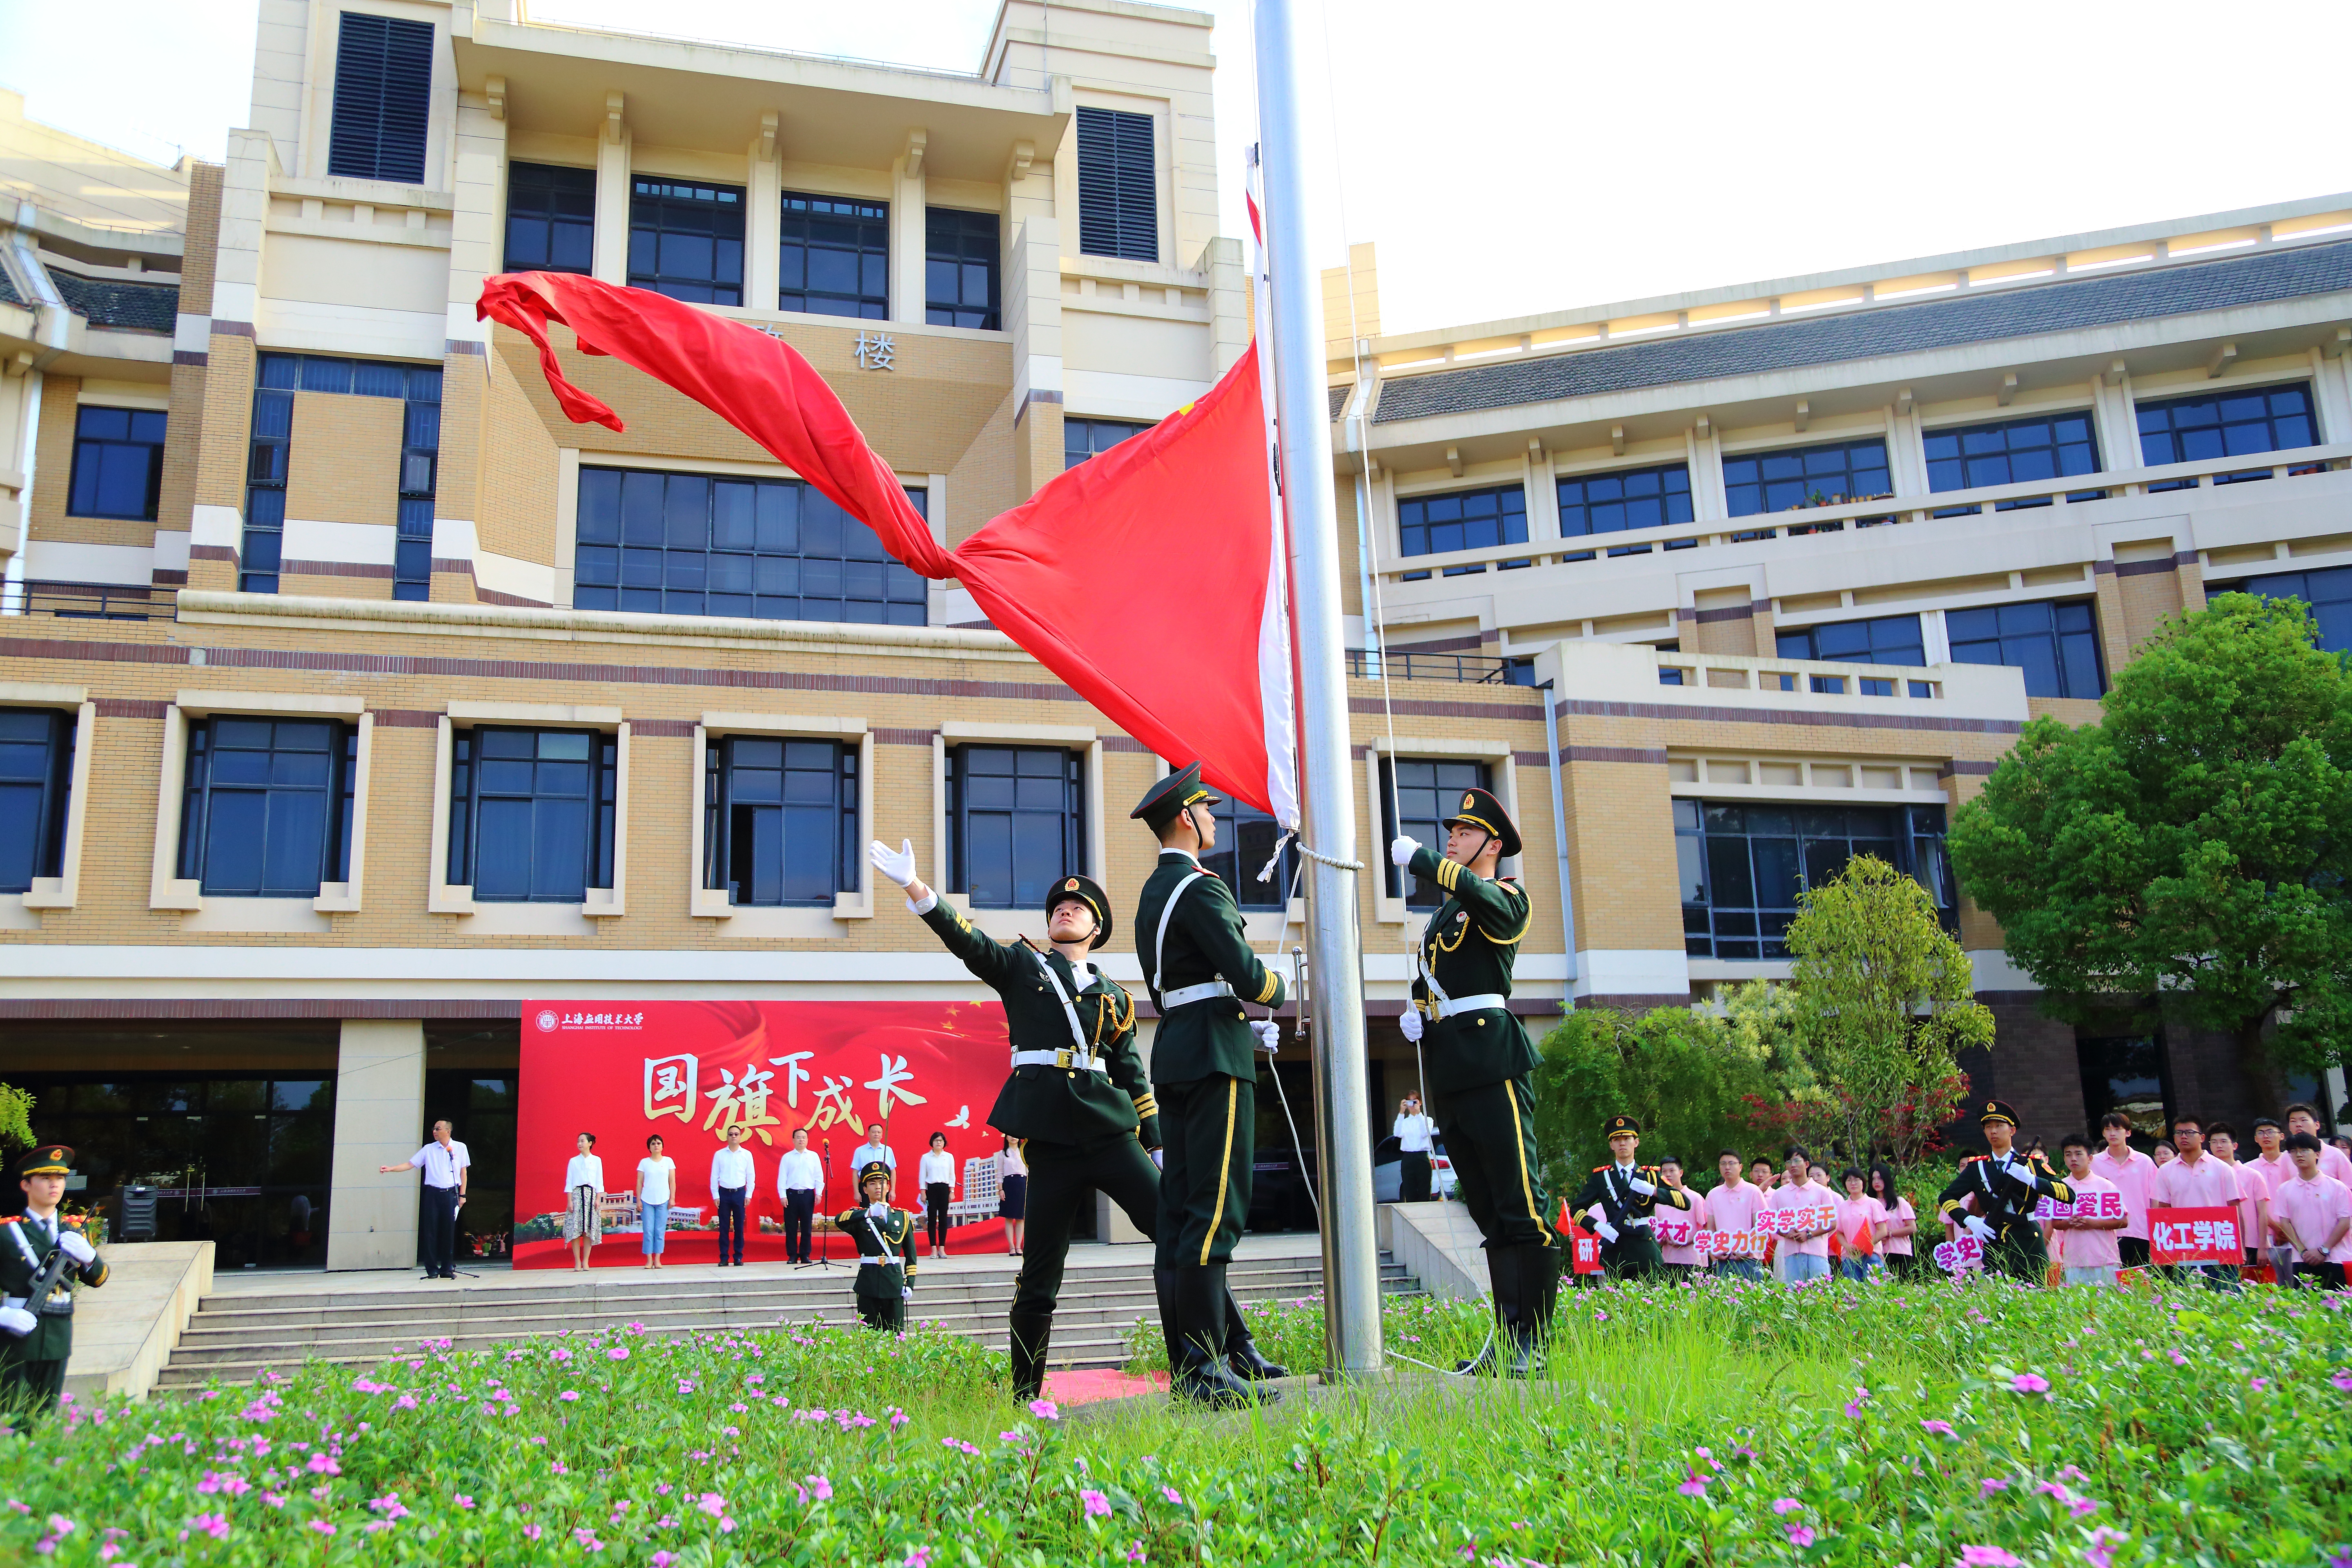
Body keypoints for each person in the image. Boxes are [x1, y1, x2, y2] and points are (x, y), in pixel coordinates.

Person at [876, 828, 1284, 1407]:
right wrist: (918, 889)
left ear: (1096, 929)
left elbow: (1132, 1074)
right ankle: (1025, 1397)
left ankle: (1230, 1350)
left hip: (1110, 1133)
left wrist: (1158, 1142)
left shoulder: (1114, 996)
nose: (1065, 910)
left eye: (1078, 908)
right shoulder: (1022, 967)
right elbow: (969, 943)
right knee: (1040, 1275)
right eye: (1058, 907)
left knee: (1180, 1234)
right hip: (1050, 1140)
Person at [1130, 764, 1291, 1406]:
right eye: (1207, 810)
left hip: (1178, 1048)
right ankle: (1201, 1372)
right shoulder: (1200, 888)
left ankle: (1209, 1357)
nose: (1215, 820)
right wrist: (1281, 989)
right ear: (1185, 820)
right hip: (1215, 1054)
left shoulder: (1154, 890)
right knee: (1214, 1211)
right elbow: (1248, 976)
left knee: (1179, 1218)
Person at [1393, 785, 1556, 1375]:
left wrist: (1423, 862)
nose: (1452, 840)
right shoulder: (1446, 912)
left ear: (1492, 843)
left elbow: (1502, 919)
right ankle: (1508, 1339)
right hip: (1451, 1064)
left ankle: (1532, 1345)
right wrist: (1419, 1010)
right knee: (1487, 1209)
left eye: (1464, 833)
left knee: (1522, 1204)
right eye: (1451, 833)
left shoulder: (1506, 896)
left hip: (1492, 1060)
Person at [0, 1145, 109, 1419]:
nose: (54, 1185)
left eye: (59, 1179)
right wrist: (3, 1315)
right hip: (17, 1338)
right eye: (45, 1179)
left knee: (45, 1417)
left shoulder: (73, 1230)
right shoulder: (7, 1232)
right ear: (26, 1184)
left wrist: (89, 1257)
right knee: (12, 1418)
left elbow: (98, 1279)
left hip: (58, 1337)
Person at [1935, 1100, 2073, 1283]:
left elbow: (2068, 1195)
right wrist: (1969, 1220)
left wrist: (2032, 1180)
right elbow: (1946, 1197)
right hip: (1995, 1241)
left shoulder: (2032, 1163)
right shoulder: (1978, 1167)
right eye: (1988, 1127)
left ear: (2012, 1131)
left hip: (2028, 1242)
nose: (1993, 1131)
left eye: (1999, 1126)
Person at [1570, 1116, 1694, 1286]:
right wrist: (1598, 1226)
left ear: (1636, 1142)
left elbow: (1684, 1202)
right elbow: (1577, 1209)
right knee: (1616, 1305)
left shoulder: (1650, 1175)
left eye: (1627, 1139)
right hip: (1615, 1248)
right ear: (1611, 1145)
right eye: (1617, 1140)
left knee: (1649, 1304)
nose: (1622, 1144)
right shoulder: (1602, 1177)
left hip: (1644, 1248)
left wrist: (1653, 1190)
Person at [2147, 1114, 2241, 1290]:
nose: (2184, 1137)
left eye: (2190, 1132)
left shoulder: (2223, 1169)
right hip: (2183, 1249)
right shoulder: (2165, 1172)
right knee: (2187, 1305)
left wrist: (2240, 1249)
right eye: (2179, 1133)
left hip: (2219, 1247)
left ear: (2202, 1138)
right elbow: (2164, 1213)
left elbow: (2235, 1210)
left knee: (2226, 1302)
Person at [378, 1118, 469, 1281]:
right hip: (433, 1194)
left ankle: (447, 1268)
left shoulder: (460, 1148)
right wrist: (391, 1169)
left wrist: (462, 1195)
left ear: (448, 1131)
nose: (434, 1131)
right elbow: (410, 1164)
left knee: (448, 1232)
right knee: (431, 1231)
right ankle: (432, 1269)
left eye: (438, 1129)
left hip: (451, 1194)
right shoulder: (428, 1149)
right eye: (434, 1129)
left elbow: (463, 1173)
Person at [835, 1160, 919, 1330]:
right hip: (869, 1282)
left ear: (889, 1187)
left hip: (893, 1282)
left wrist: (910, 1284)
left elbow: (911, 1257)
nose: (878, 1187)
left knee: (896, 1334)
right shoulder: (860, 1217)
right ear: (865, 1190)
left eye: (882, 1183)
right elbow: (840, 1220)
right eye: (872, 1184)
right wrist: (868, 1212)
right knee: (868, 1335)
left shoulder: (902, 1218)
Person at [2266, 1133, 2351, 1290]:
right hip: (2301, 1260)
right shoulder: (2284, 1190)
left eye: (2305, 1150)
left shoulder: (2338, 1187)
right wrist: (2303, 1250)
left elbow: (2345, 1222)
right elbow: (2285, 1222)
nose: (2299, 1155)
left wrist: (2323, 1250)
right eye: (2294, 1151)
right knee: (2307, 1311)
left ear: (2317, 1154)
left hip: (2336, 1259)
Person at [2047, 1133, 2127, 1288]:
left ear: (2090, 1158)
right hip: (2074, 1261)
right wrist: (2069, 1222)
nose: (2073, 1159)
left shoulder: (2105, 1186)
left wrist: (2091, 1223)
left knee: (2108, 1309)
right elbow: (2056, 1222)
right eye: (2068, 1155)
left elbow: (2123, 1221)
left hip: (2106, 1259)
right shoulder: (2060, 1188)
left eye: (2079, 1154)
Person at [2092, 1113, 2158, 1270]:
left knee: (2142, 1285)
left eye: (2117, 1129)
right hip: (2106, 1234)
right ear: (2103, 1134)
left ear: (2128, 1132)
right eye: (2108, 1130)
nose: (2112, 1133)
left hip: (2140, 1232)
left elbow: (2155, 1198)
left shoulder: (2144, 1161)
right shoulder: (2094, 1163)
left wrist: (2155, 1229)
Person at [1760, 1148, 1834, 1282]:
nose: (1793, 1165)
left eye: (1797, 1161)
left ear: (1806, 1164)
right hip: (1791, 1253)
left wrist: (1809, 1234)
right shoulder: (1780, 1194)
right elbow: (1771, 1223)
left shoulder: (1821, 1192)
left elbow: (1832, 1223)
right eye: (1789, 1162)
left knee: (1820, 1295)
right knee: (1795, 1295)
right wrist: (1786, 1233)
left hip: (1817, 1252)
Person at [2205, 1123, 2266, 1274]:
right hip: (2218, 1243)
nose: (2219, 1146)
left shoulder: (2253, 1175)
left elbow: (2262, 1214)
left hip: (2251, 1243)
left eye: (2224, 1141)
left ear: (2235, 1146)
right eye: (2214, 1142)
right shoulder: (2204, 1176)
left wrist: (2263, 1247)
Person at [2245, 1118, 2297, 1278]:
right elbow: (2253, 1205)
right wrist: (2276, 1228)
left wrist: (2286, 1230)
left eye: (2270, 1132)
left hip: (2295, 1233)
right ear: (2255, 1139)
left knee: (2298, 1283)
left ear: (2281, 1136)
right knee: (2272, 1286)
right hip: (2264, 1236)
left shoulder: (2294, 1163)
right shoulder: (2249, 1169)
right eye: (2261, 1133)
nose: (2265, 1136)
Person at [1705, 1151, 1766, 1281]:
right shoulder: (1713, 1194)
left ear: (1741, 1167)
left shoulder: (1753, 1191)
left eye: (1732, 1163)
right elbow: (1710, 1228)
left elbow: (1760, 1226)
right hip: (1723, 1259)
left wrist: (1747, 1249)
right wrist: (1714, 1252)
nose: (1727, 1167)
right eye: (1723, 1164)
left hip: (1750, 1259)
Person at [709, 1123, 755, 1267]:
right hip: (724, 1193)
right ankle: (724, 1257)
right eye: (731, 1135)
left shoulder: (747, 1155)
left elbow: (751, 1176)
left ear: (741, 1137)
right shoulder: (719, 1154)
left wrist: (749, 1195)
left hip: (740, 1193)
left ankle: (738, 1257)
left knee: (739, 1228)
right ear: (727, 1137)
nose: (734, 1137)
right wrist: (716, 1195)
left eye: (736, 1134)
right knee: (724, 1227)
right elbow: (714, 1176)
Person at [777, 1129, 823, 1266]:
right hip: (791, 1195)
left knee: (807, 1227)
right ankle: (792, 1255)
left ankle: (805, 1254)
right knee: (791, 1227)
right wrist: (783, 1196)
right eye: (798, 1137)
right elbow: (782, 1178)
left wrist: (819, 1193)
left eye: (804, 1137)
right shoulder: (787, 1157)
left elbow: (819, 1176)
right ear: (793, 1140)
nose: (801, 1140)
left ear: (808, 1140)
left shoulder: (814, 1156)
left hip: (808, 1195)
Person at [1653, 1156, 1704, 1280]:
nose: (1668, 1175)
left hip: (1692, 1260)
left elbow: (1705, 1229)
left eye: (1672, 1171)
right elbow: (1658, 1228)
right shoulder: (1659, 1201)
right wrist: (1661, 1241)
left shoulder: (1695, 1198)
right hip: (1667, 1259)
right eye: (1664, 1172)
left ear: (1681, 1173)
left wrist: (1687, 1241)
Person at [563, 1132, 605, 1272]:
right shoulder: (573, 1161)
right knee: (575, 1230)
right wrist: (570, 1201)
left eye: (583, 1141)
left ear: (590, 1143)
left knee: (588, 1230)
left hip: (591, 1196)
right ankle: (577, 1262)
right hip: (576, 1196)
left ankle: (586, 1261)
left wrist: (599, 1199)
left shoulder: (597, 1160)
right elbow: (569, 1182)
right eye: (578, 1141)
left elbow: (600, 1181)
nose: (580, 1144)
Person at [2283, 1103, 2352, 1187]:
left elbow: (2349, 1187)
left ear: (2317, 1125)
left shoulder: (2336, 1154)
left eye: (2303, 1120)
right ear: (2290, 1128)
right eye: (2293, 1121)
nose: (2298, 1125)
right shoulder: (2286, 1157)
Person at [1867, 1164, 1917, 1280]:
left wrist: (1889, 1233)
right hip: (1875, 1253)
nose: (1877, 1182)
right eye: (1873, 1179)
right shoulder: (1868, 1203)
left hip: (1899, 1252)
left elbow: (1912, 1228)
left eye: (1880, 1178)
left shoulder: (1899, 1202)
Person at [636, 1134, 676, 1269]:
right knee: (648, 1230)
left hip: (663, 1200)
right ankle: (649, 1260)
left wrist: (672, 1198)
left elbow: (672, 1181)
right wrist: (639, 1200)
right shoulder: (644, 1163)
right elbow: (639, 1182)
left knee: (660, 1231)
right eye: (653, 1144)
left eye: (658, 1143)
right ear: (649, 1147)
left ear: (663, 1146)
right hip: (647, 1200)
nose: (656, 1146)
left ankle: (658, 1259)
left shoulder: (668, 1161)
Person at [1834, 1169, 1881, 1282]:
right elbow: (1839, 1233)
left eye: (1856, 1180)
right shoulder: (1842, 1207)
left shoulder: (1873, 1203)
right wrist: (1847, 1246)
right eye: (1849, 1180)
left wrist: (1865, 1245)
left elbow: (1882, 1230)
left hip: (1871, 1254)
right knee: (1853, 1293)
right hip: (1850, 1256)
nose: (1853, 1183)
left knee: (1875, 1290)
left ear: (1863, 1182)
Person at [1394, 1095, 1439, 1204]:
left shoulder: (1427, 1120)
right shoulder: (1404, 1122)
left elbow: (1425, 1133)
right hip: (1408, 1157)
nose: (1413, 1105)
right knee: (1409, 1190)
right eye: (1410, 1102)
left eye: (1415, 1102)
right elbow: (1397, 1133)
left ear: (1420, 1103)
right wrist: (1401, 1113)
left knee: (1425, 1189)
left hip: (1422, 1157)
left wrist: (1419, 1114)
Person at [918, 1132, 956, 1258]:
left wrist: (952, 1191)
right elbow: (922, 1176)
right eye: (936, 1141)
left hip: (945, 1189)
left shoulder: (949, 1157)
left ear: (944, 1143)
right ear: (932, 1143)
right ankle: (933, 1248)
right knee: (932, 1219)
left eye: (941, 1141)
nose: (939, 1143)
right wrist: (923, 1192)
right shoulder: (926, 1157)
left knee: (944, 1219)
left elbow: (952, 1175)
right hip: (932, 1189)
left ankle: (942, 1249)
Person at [998, 1137, 1027, 1257]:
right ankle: (1011, 1247)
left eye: (1015, 1136)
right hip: (1009, 1184)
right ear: (1006, 1137)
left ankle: (1019, 1246)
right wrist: (1001, 1189)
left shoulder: (1024, 1152)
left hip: (1022, 1183)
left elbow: (1028, 1170)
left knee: (1021, 1217)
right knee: (1009, 1218)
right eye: (1010, 1135)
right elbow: (999, 1173)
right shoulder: (1003, 1153)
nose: (1013, 1138)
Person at [857, 1124, 897, 1191]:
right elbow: (855, 1172)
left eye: (879, 1132)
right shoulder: (860, 1151)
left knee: (883, 1202)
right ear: (869, 1134)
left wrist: (893, 1190)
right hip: (866, 1185)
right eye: (874, 1132)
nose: (876, 1134)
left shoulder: (888, 1150)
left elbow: (893, 1171)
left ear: (882, 1135)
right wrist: (857, 1192)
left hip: (883, 1185)